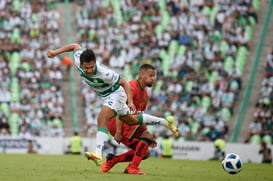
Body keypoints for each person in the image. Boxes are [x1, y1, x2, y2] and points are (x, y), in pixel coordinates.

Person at [47, 43, 178, 166]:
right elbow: (75, 46)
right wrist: (55, 52)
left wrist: (130, 102)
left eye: (92, 67)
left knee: (102, 118)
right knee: (131, 120)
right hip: (105, 95)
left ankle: (98, 153)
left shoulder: (105, 73)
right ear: (80, 64)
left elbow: (125, 83)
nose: (89, 70)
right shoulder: (77, 59)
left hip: (116, 94)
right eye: (86, 68)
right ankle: (165, 122)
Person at [100, 64, 159, 175]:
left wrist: (146, 133)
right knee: (146, 139)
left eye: (154, 76)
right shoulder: (131, 87)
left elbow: (139, 117)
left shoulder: (145, 95)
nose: (153, 79)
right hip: (117, 122)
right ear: (142, 74)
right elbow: (120, 110)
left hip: (129, 122)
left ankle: (113, 160)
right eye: (151, 76)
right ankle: (132, 167)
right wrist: (118, 131)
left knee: (145, 152)